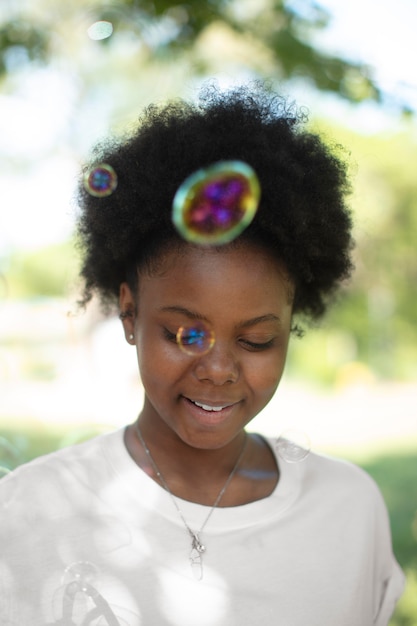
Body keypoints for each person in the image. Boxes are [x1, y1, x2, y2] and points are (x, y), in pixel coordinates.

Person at [0, 84, 404, 625]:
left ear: (291, 327)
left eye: (257, 340)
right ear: (128, 315)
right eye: (185, 334)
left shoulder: (349, 509)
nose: (217, 370)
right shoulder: (27, 510)